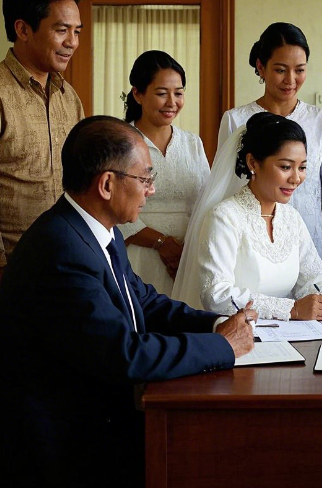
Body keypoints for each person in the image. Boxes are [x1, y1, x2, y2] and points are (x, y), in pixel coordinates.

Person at [0, 116, 254, 488]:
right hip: (62, 439)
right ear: (106, 184)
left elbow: (144, 302)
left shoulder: (99, 229)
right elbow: (124, 354)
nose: (151, 190)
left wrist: (215, 324)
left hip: (99, 414)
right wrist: (221, 347)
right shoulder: (62, 249)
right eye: (146, 178)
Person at [216, 23, 322, 298]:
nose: (290, 80)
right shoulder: (236, 120)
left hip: (313, 246)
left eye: (300, 70)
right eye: (281, 70)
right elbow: (229, 188)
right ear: (261, 67)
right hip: (255, 247)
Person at [175, 112, 322, 319]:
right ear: (253, 163)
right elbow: (216, 295)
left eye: (302, 167)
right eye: (285, 167)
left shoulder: (291, 218)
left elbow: (315, 275)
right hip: (238, 335)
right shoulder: (224, 217)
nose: (296, 178)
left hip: (289, 335)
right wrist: (291, 310)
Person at [0, 0, 84, 281]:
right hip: (10, 272)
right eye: (61, 30)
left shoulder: (70, 98)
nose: (72, 42)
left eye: (76, 31)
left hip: (68, 266)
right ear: (22, 28)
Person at [119, 50, 210, 296]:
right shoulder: (121, 142)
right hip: (136, 256)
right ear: (138, 94)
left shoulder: (193, 143)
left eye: (178, 93)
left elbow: (205, 202)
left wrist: (187, 251)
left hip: (186, 259)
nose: (172, 102)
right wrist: (160, 243)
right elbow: (111, 205)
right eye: (161, 93)